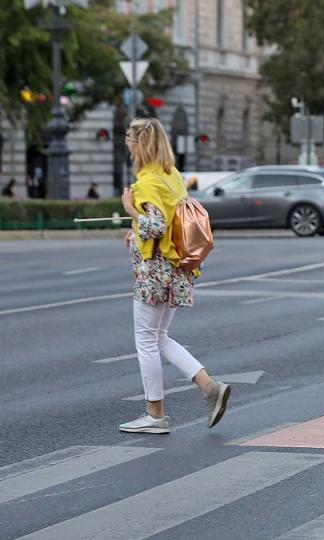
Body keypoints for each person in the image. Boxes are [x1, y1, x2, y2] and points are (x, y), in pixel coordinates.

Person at [119, 117, 230, 434]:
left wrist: (130, 209)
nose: (126, 143)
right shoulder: (173, 177)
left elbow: (154, 226)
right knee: (159, 337)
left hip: (154, 270)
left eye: (129, 138)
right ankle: (209, 388)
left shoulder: (146, 183)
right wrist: (134, 230)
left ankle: (155, 414)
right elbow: (168, 221)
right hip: (177, 268)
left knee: (145, 340)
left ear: (140, 144)